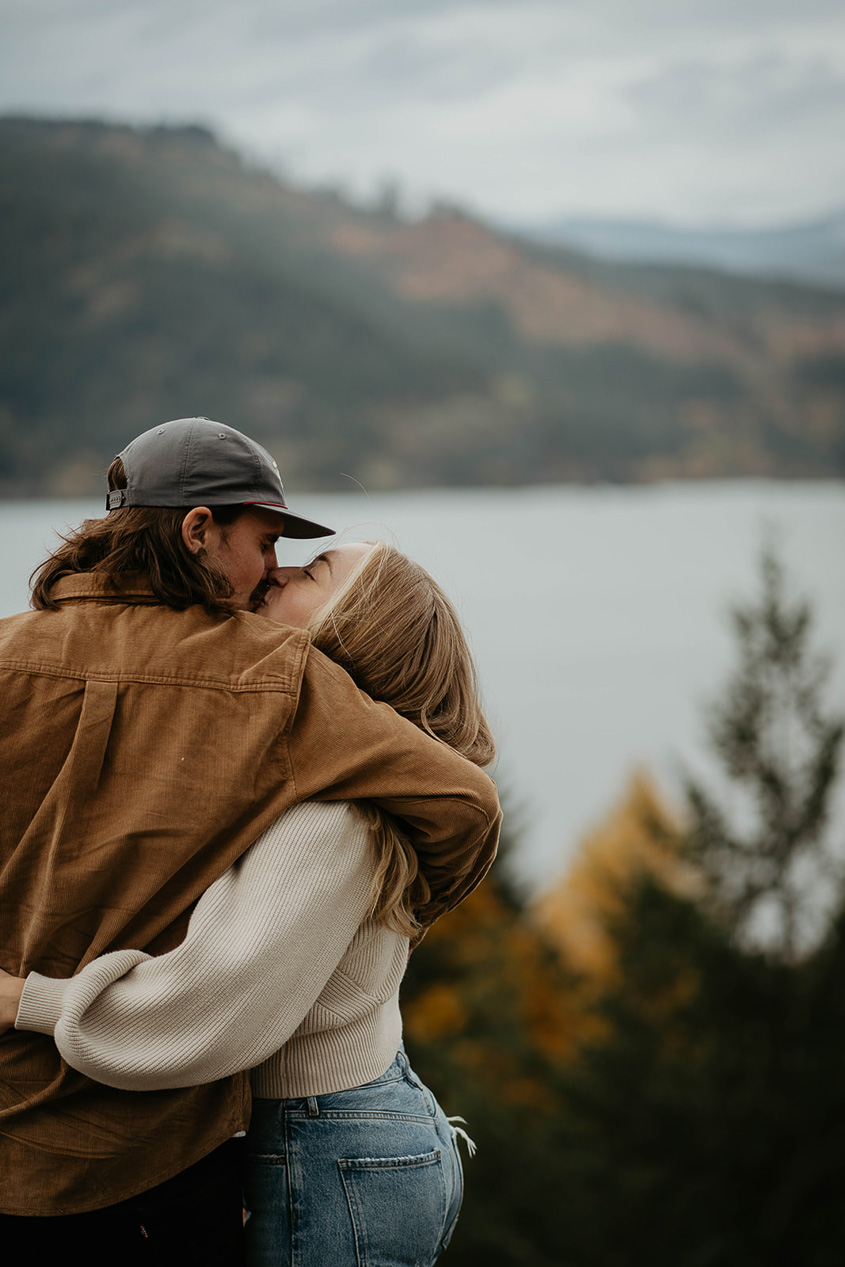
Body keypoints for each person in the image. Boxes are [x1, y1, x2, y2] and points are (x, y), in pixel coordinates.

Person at [0, 418, 501, 1261]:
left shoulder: (334, 802)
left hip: (326, 1142)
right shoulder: (277, 707)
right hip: (261, 1149)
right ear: (199, 530)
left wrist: (22, 999)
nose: (278, 568)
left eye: (310, 566)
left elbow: (213, 1000)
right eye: (274, 543)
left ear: (359, 628)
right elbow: (466, 803)